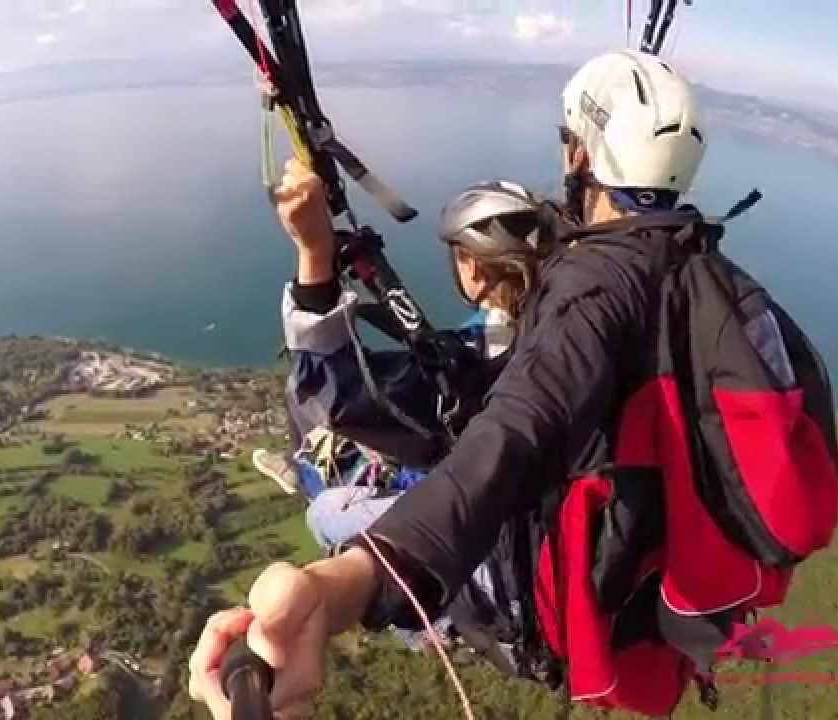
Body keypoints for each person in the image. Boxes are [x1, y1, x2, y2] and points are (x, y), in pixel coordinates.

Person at [189, 49, 713, 719]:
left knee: (328, 504)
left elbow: (337, 396)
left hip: (496, 569)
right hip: (597, 564)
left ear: (473, 270)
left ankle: (409, 600)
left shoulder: (479, 371)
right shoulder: (656, 314)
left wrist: (314, 254)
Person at [251, 178, 558, 558]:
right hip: (517, 501)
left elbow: (331, 391)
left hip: (480, 536)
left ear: (474, 270)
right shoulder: (561, 332)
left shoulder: (474, 362)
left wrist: (313, 251)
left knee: (324, 512)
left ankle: (312, 476)